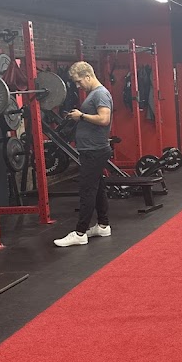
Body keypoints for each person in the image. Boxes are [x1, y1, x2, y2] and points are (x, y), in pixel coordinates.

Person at [54, 61, 114, 247]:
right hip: (92, 149)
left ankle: (80, 233)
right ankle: (103, 225)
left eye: (79, 81)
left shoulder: (100, 94)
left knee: (87, 190)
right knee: (98, 188)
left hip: (95, 150)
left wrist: (81, 116)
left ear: (88, 76)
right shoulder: (94, 94)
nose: (78, 86)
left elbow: (104, 119)